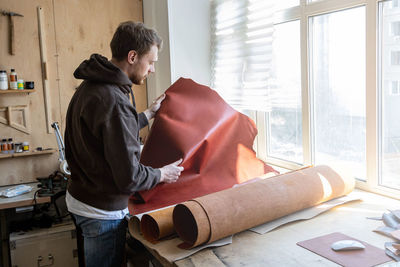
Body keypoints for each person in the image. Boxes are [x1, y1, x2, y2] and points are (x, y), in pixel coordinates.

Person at [64, 21, 184, 267]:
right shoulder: (114, 99)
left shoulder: (94, 84)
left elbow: (108, 128)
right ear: (132, 56)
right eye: (150, 62)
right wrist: (163, 173)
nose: (151, 70)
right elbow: (129, 177)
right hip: (101, 213)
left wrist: (148, 114)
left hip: (82, 197)